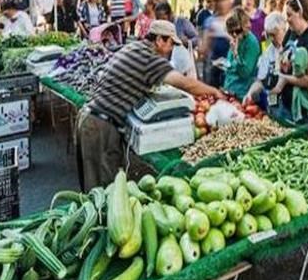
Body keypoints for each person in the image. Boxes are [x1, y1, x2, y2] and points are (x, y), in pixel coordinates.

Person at [76, 36, 223, 190]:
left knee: (98, 186)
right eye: (170, 44)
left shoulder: (134, 47)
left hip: (90, 119)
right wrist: (213, 91)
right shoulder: (150, 59)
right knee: (102, 192)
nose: (171, 49)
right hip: (100, 128)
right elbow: (185, 84)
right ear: (159, 40)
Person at [273, 0, 308, 123]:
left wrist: (285, 79)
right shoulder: (291, 33)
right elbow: (281, 54)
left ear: (300, 13)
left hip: (303, 112)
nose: (287, 19)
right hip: (285, 105)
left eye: (289, 15)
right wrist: (282, 65)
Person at [243, 11, 286, 111]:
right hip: (273, 102)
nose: (271, 39)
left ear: (284, 29)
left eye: (274, 34)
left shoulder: (292, 47)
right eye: (268, 35)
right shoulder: (267, 51)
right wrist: (250, 94)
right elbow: (260, 81)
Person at [200, 0, 233, 87]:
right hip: (213, 67)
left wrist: (227, 35)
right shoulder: (210, 21)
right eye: (220, 1)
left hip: (231, 68)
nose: (222, 4)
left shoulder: (235, 19)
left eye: (225, 0)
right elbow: (203, 49)